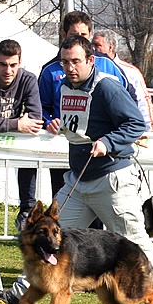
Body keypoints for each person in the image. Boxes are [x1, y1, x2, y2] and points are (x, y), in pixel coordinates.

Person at [0, 36, 153, 304]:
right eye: (65, 62)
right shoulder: (63, 86)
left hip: (112, 180)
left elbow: (136, 123)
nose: (70, 67)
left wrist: (108, 142)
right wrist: (55, 123)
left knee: (135, 241)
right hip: (78, 179)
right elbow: (78, 126)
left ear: (90, 61)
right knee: (47, 239)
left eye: (76, 61)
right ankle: (19, 295)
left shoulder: (107, 87)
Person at [39, 11, 135, 196]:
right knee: (62, 209)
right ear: (64, 34)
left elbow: (131, 100)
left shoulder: (108, 65)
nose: (79, 39)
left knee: (100, 219)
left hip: (102, 153)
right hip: (63, 148)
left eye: (83, 35)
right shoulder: (50, 70)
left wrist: (114, 136)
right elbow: (39, 106)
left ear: (90, 35)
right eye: (74, 35)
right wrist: (48, 120)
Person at [0, 40, 43, 290]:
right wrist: (15, 125)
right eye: (3, 64)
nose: (8, 70)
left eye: (13, 65)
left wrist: (0, 125)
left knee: (29, 208)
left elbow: (35, 119)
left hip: (20, 150)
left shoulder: (27, 80)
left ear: (19, 63)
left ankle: (30, 270)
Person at [91, 29, 153, 131]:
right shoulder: (89, 68)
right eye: (92, 45)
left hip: (123, 129)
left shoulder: (130, 72)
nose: (93, 48)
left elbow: (143, 103)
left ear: (110, 47)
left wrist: (150, 132)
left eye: (97, 45)